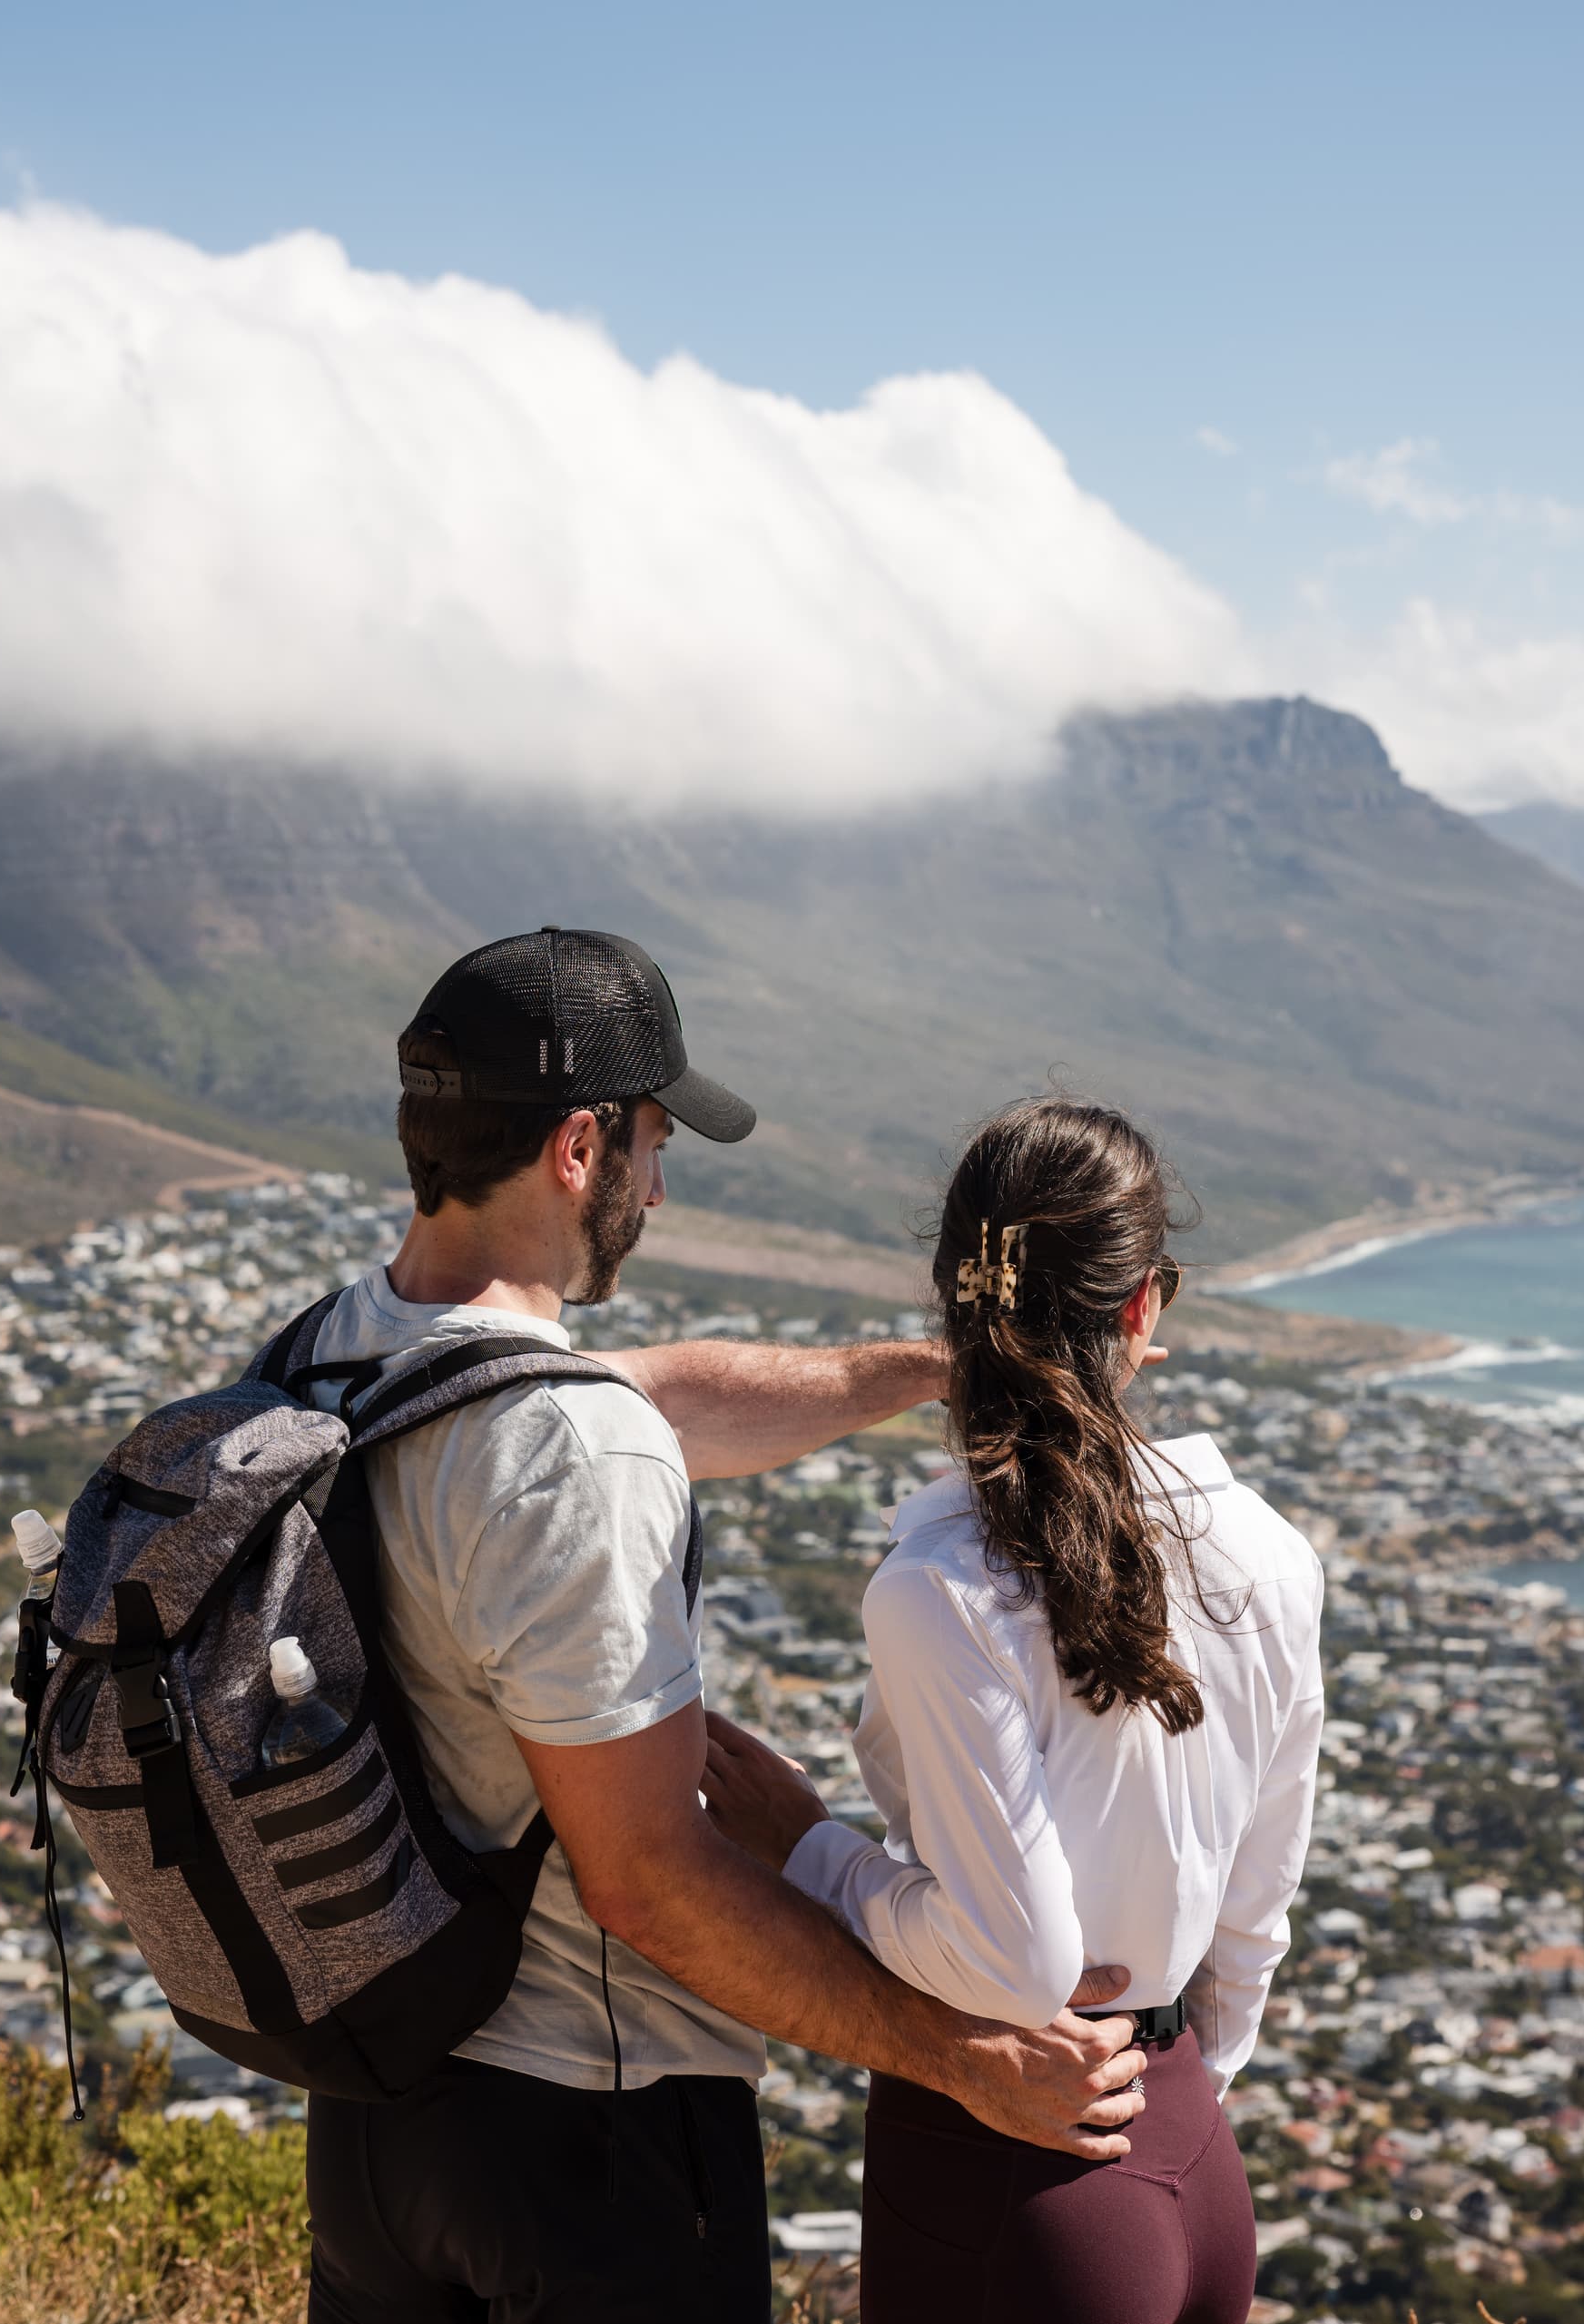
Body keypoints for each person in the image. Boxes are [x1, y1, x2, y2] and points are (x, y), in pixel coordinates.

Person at [301, 930, 1148, 2324]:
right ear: (580, 1145)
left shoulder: (341, 1355)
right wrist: (958, 2055)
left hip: (380, 2122)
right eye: (648, 1137)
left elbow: (665, 1398)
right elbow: (649, 1881)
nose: (660, 1175)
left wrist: (940, 1371)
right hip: (594, 2130)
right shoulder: (573, 1451)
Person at [703, 1096, 1329, 2324]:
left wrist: (806, 1845)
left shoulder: (947, 1588)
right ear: (1145, 1308)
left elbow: (1020, 1958)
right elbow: (1257, 1909)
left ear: (956, 1305)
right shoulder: (1269, 1551)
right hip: (1192, 2149)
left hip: (1018, 2173)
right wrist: (1180, 2087)